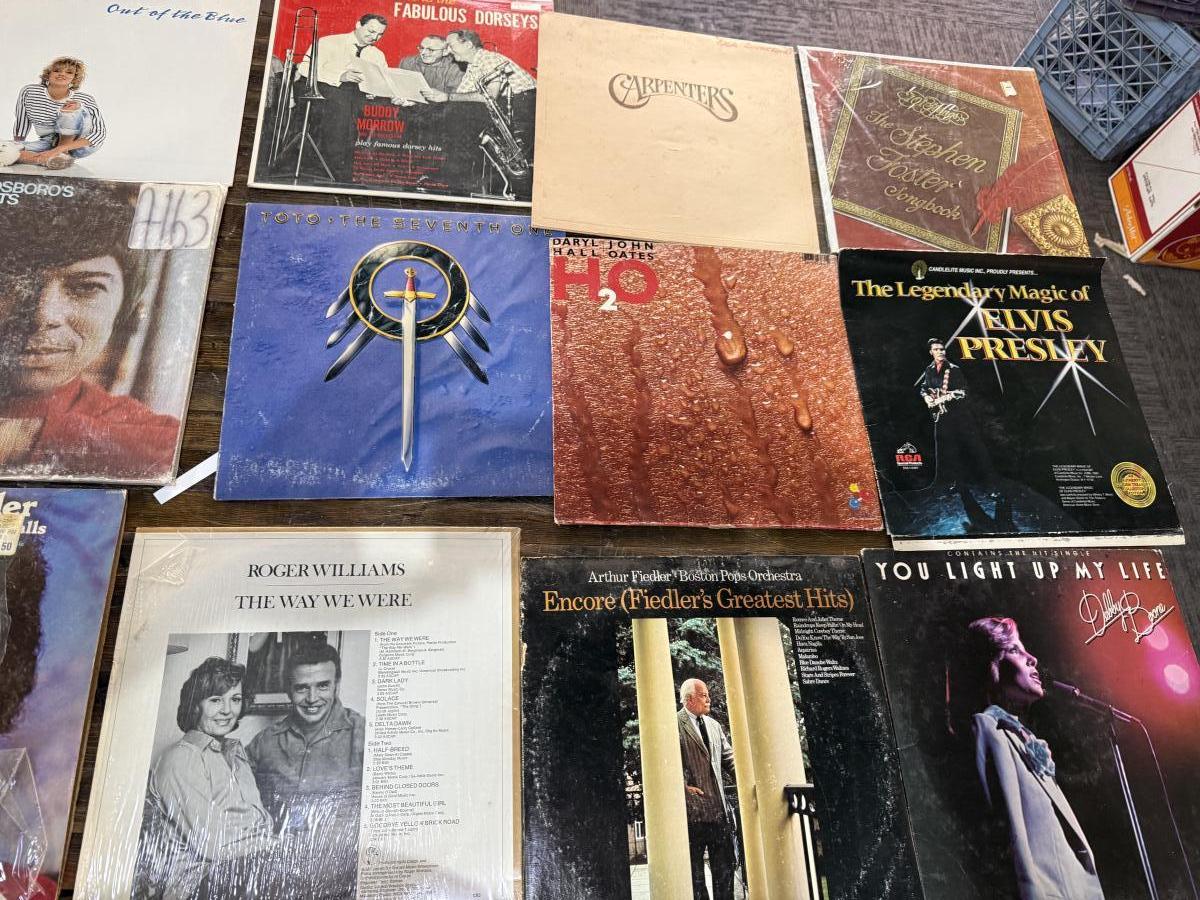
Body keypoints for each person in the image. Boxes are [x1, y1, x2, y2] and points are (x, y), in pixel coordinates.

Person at [0, 184, 180, 480]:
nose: (43, 315)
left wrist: (28, 436)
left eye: (85, 287)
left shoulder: (128, 426)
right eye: (10, 283)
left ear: (123, 311)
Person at [963, 617, 1105, 900]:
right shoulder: (989, 728)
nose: (1033, 659)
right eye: (1014, 650)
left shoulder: (1021, 736)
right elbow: (1007, 835)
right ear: (991, 666)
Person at [140, 657, 276, 899]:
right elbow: (213, 845)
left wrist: (265, 839)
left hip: (244, 872)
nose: (227, 710)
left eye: (235, 699)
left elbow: (262, 821)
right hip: (196, 885)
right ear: (196, 705)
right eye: (215, 700)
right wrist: (272, 843)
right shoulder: (181, 759)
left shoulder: (235, 753)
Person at [247, 640, 365, 900]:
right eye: (301, 688)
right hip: (278, 882)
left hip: (343, 885)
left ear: (336, 685)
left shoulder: (363, 735)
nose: (312, 699)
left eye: (323, 685)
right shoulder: (265, 742)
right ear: (288, 690)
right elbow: (228, 791)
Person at [420, 30, 536, 194]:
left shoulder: (489, 59)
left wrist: (447, 97)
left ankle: (458, 178)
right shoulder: (472, 65)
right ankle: (452, 175)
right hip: (505, 103)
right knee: (451, 113)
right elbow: (459, 97)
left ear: (468, 44)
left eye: (451, 46)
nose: (448, 51)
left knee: (459, 117)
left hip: (524, 104)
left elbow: (490, 96)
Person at [917, 337, 1009, 531]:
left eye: (942, 349)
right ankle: (957, 484)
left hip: (961, 418)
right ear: (931, 352)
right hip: (942, 418)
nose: (941, 352)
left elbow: (964, 391)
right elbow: (924, 388)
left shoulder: (954, 369)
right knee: (948, 453)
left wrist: (948, 396)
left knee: (977, 452)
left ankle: (993, 488)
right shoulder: (929, 370)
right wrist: (927, 398)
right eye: (936, 349)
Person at [294, 12, 389, 182]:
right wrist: (340, 76)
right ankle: (334, 170)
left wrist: (375, 90)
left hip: (358, 97)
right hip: (326, 92)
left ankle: (357, 171)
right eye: (371, 31)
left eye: (380, 34)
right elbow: (304, 68)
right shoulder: (329, 42)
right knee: (342, 108)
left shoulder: (377, 55)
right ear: (358, 24)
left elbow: (382, 80)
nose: (374, 37)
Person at [676, 678, 736, 900]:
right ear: (689, 699)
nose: (709, 699)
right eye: (703, 695)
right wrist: (683, 788)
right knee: (695, 876)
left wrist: (747, 778)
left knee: (725, 871)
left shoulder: (714, 725)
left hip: (718, 812)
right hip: (693, 815)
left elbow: (729, 758)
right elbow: (667, 765)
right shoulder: (674, 724)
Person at [11, 57, 106, 170]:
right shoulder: (29, 92)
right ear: (48, 74)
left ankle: (61, 154)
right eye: (57, 70)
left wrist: (60, 149)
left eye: (69, 72)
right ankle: (47, 160)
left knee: (73, 107)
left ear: (74, 78)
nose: (62, 74)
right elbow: (22, 120)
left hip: (79, 145)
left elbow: (99, 134)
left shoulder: (85, 99)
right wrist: (17, 146)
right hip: (49, 142)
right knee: (5, 149)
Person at [398, 35, 464, 95]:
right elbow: (399, 87)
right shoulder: (407, 62)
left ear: (445, 52)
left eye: (430, 50)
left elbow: (453, 97)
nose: (423, 53)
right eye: (422, 48)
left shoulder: (456, 68)